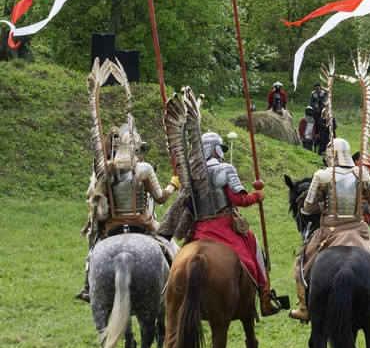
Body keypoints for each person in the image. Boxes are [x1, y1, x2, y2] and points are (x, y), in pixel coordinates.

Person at [289, 138, 370, 322]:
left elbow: (307, 206)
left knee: (300, 264)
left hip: (329, 230)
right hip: (358, 230)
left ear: (331, 154)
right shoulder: (362, 174)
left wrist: (325, 206)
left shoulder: (322, 175)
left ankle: (304, 308)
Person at [78, 123, 180, 302]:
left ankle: (89, 287)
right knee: (173, 249)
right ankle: (178, 285)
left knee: (94, 250)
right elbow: (160, 198)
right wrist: (173, 185)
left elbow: (98, 199)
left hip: (113, 225)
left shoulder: (105, 170)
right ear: (137, 146)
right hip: (142, 223)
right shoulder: (144, 169)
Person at [188, 132, 281, 317]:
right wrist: (258, 195)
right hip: (224, 225)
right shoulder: (225, 169)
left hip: (200, 228)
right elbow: (240, 199)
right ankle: (264, 297)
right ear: (215, 149)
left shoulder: (193, 171)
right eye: (220, 148)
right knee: (252, 242)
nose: (221, 152)